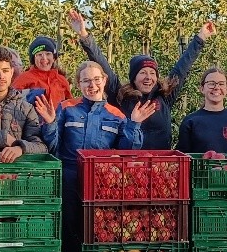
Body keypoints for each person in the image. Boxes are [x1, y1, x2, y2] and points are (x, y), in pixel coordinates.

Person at [33, 62, 155, 252]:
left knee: (99, 239)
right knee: (69, 238)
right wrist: (49, 125)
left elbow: (126, 152)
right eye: (86, 81)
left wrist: (134, 123)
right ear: (78, 84)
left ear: (104, 81)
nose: (92, 85)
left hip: (102, 188)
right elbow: (52, 146)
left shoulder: (116, 115)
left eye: (96, 79)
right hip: (69, 181)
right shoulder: (67, 108)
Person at [69, 8, 216, 150]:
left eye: (152, 73)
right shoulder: (121, 96)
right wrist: (84, 35)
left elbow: (182, 67)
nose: (148, 77)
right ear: (133, 77)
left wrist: (201, 37)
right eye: (143, 73)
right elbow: (101, 63)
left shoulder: (164, 97)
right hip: (130, 167)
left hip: (161, 167)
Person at [175, 67, 227, 155]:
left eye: (221, 84)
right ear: (202, 88)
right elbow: (183, 157)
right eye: (211, 84)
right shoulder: (190, 121)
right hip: (200, 169)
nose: (216, 87)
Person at [12, 34, 73, 110]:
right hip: (33, 120)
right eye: (39, 54)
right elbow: (11, 102)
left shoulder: (62, 80)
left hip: (58, 120)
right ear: (34, 59)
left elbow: (70, 107)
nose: (44, 58)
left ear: (54, 58)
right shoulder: (24, 78)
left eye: (48, 54)